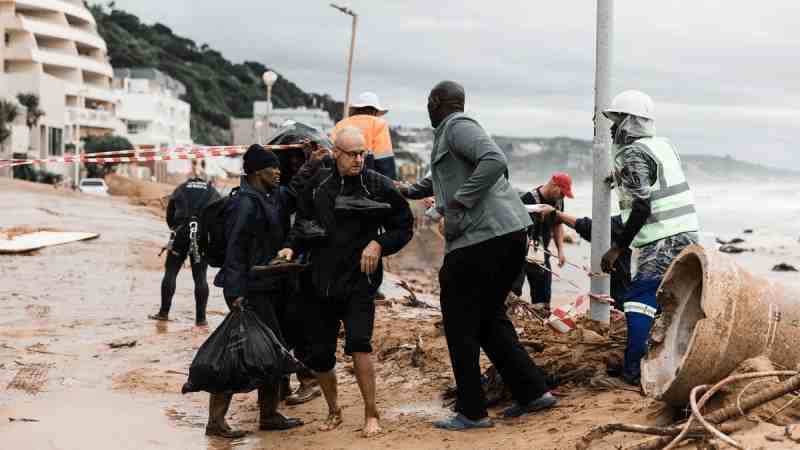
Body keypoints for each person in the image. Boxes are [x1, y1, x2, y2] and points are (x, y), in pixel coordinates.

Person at [398, 81, 555, 431]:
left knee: (459, 320)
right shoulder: (449, 136)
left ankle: (472, 411)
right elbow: (443, 178)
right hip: (504, 235)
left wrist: (458, 204)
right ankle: (533, 392)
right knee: (487, 319)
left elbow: (494, 160)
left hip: (483, 239)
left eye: (428, 101)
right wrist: (407, 189)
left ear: (436, 102)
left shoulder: (457, 126)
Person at [283, 127, 413, 436]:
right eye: (352, 154)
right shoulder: (317, 185)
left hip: (360, 281)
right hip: (320, 280)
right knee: (320, 354)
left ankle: (371, 413)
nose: (359, 159)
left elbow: (405, 225)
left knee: (359, 344)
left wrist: (379, 244)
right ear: (336, 154)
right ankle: (334, 411)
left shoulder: (378, 185)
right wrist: (291, 246)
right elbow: (301, 223)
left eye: (363, 153)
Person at [600, 90, 700, 386]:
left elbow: (643, 205)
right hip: (687, 232)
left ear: (628, 122)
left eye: (615, 120)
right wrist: (616, 178)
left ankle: (632, 373)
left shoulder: (631, 154)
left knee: (639, 300)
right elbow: (654, 181)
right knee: (672, 301)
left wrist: (618, 248)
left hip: (660, 240)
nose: (611, 128)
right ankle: (675, 362)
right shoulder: (663, 146)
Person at [206, 145, 303, 438]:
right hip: (249, 291)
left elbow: (292, 192)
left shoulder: (269, 197)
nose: (279, 171)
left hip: (269, 286)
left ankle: (269, 413)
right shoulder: (245, 204)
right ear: (257, 171)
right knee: (238, 354)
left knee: (271, 350)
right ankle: (216, 420)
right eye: (272, 168)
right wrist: (235, 294)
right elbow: (235, 250)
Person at [150, 163, 220, 326]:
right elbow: (218, 217)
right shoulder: (212, 191)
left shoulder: (181, 188)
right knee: (200, 277)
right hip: (202, 235)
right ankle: (201, 319)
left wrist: (175, 228)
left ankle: (163, 313)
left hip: (181, 233)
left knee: (171, 271)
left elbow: (170, 214)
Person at [537, 206, 631, 308]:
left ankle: (618, 307)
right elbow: (599, 228)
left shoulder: (636, 215)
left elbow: (596, 229)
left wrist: (558, 215)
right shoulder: (634, 214)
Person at [514, 173, 572, 312]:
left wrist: (560, 251)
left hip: (542, 252)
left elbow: (557, 224)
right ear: (553, 185)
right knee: (514, 291)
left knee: (543, 297)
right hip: (521, 253)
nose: (562, 197)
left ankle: (541, 319)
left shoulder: (558, 202)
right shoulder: (527, 199)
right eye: (562, 193)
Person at [330, 92, 397, 179]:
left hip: (341, 178)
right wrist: (390, 184)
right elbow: (384, 161)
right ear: (375, 111)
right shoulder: (379, 124)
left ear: (356, 109)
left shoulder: (341, 124)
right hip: (367, 181)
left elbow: (331, 154)